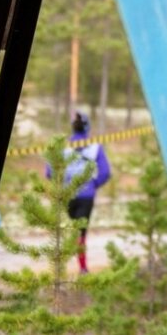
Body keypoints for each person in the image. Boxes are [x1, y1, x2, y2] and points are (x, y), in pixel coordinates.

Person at [55, 112, 111, 274]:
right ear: (88, 126)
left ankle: (61, 267)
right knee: (80, 232)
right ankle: (83, 268)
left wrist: (61, 185)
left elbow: (50, 171)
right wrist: (93, 184)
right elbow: (105, 172)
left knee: (68, 230)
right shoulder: (95, 146)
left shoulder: (63, 147)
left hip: (66, 195)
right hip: (86, 195)